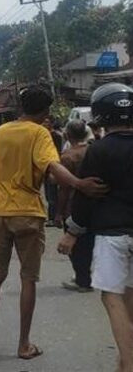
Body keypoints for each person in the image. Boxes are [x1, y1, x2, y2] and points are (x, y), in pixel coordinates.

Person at [0, 85, 107, 361]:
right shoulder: (39, 133)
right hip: (27, 213)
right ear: (45, 111)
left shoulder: (0, 131)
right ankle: (24, 345)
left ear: (21, 107)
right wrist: (79, 184)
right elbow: (53, 167)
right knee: (28, 279)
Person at [58, 83, 133, 372]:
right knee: (128, 296)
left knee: (111, 297)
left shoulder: (98, 151)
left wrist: (71, 232)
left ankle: (128, 364)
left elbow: (86, 197)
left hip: (112, 237)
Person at [55, 120, 93, 293]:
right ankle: (85, 275)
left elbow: (64, 188)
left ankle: (82, 279)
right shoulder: (93, 151)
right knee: (89, 243)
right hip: (94, 203)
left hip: (73, 204)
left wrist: (58, 212)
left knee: (74, 245)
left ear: (67, 135)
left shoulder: (68, 156)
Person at [42, 116, 65, 227]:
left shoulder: (56, 136)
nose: (45, 124)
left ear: (51, 124)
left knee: (52, 195)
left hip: (53, 167)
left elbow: (58, 152)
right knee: (47, 194)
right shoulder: (42, 135)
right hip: (44, 168)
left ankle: (53, 217)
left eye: (47, 122)